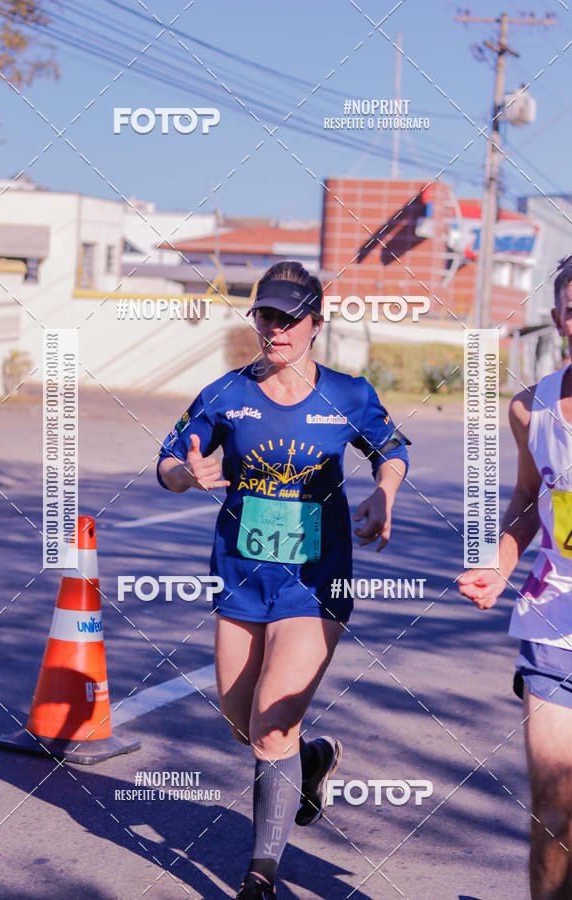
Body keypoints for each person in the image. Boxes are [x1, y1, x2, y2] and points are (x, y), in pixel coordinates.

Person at [157, 260, 409, 899]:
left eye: (291, 317)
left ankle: (260, 875)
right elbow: (167, 461)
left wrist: (384, 493)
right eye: (267, 315)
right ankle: (313, 759)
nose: (277, 328)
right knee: (241, 718)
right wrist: (184, 476)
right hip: (242, 576)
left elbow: (392, 448)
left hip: (315, 581)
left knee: (271, 723)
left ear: (316, 325)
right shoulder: (226, 393)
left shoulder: (348, 395)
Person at [458, 255, 572, 900]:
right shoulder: (532, 410)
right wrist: (499, 566)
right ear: (559, 318)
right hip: (557, 621)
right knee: (555, 809)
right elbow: (530, 499)